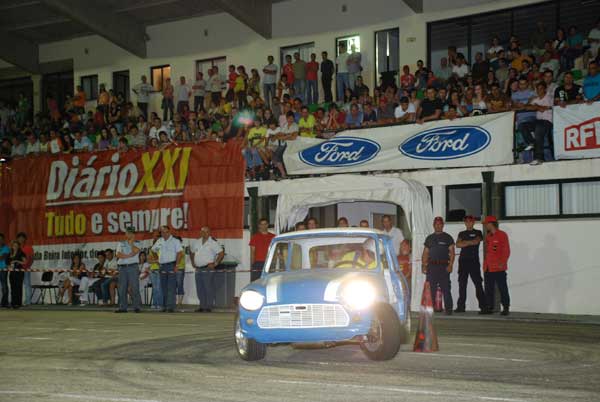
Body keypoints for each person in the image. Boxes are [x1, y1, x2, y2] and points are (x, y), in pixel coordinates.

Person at [421, 217, 455, 315]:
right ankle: (430, 309)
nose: (438, 225)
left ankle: (448, 309)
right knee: (431, 289)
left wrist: (450, 265)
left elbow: (452, 253)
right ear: (433, 225)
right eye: (436, 224)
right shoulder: (429, 238)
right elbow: (425, 253)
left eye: (440, 224)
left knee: (446, 289)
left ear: (443, 225)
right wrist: (423, 265)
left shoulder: (448, 237)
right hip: (431, 267)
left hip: (444, 267)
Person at [454, 216, 486, 313]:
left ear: (473, 222)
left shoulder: (478, 232)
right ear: (465, 223)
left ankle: (484, 307)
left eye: (470, 221)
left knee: (478, 283)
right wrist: (469, 242)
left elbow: (476, 241)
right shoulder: (461, 233)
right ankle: (461, 307)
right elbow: (458, 244)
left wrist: (465, 242)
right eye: (466, 222)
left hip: (474, 261)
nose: (468, 223)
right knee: (462, 284)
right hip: (463, 261)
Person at [482, 216, 511, 316]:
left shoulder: (502, 235)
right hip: (488, 267)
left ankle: (506, 307)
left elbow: (506, 251)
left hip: (499, 268)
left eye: (486, 224)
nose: (485, 226)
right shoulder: (488, 236)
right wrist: (485, 265)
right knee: (488, 288)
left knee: (502, 288)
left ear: (491, 224)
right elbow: (488, 252)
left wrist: (502, 263)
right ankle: (489, 307)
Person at [191, 227, 224, 313]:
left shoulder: (213, 243)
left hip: (208, 268)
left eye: (206, 232)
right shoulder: (197, 242)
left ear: (209, 233)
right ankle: (202, 306)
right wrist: (193, 262)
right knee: (200, 288)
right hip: (198, 268)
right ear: (200, 232)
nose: (204, 233)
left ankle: (209, 306)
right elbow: (192, 252)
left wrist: (216, 263)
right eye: (202, 231)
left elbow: (221, 253)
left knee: (208, 288)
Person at [151, 225, 184, 313]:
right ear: (160, 233)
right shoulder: (159, 240)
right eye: (162, 232)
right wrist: (157, 259)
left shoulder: (175, 241)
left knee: (171, 287)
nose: (164, 234)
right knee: (163, 287)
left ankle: (170, 307)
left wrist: (177, 265)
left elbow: (180, 253)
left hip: (171, 265)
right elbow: (153, 250)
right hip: (162, 266)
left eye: (166, 232)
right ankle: (165, 306)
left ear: (169, 232)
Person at [115, 227, 142, 313]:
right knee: (122, 288)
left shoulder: (138, 243)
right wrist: (128, 256)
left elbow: (135, 251)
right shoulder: (121, 243)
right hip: (122, 267)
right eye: (127, 233)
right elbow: (118, 254)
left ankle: (136, 307)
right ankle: (122, 307)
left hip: (133, 267)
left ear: (133, 234)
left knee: (134, 287)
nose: (128, 234)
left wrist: (131, 243)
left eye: (130, 233)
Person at [16, 232, 33, 306]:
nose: (21, 239)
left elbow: (32, 259)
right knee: (18, 285)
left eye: (22, 238)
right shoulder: (16, 247)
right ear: (17, 239)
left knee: (27, 285)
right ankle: (18, 301)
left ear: (25, 239)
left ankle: (28, 301)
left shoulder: (28, 247)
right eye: (19, 238)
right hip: (17, 270)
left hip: (26, 269)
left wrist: (28, 266)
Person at [8, 240, 26, 309]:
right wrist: (8, 266)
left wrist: (17, 261)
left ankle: (18, 303)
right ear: (12, 246)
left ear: (18, 246)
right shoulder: (10, 254)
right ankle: (13, 303)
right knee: (12, 288)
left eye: (16, 246)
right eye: (13, 246)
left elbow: (24, 262)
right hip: (12, 273)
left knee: (18, 288)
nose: (15, 247)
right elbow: (7, 262)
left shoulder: (21, 253)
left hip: (19, 273)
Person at [147, 232, 163, 310]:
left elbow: (161, 260)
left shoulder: (162, 249)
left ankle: (159, 304)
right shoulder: (152, 249)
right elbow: (149, 260)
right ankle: (155, 303)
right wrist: (156, 261)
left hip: (160, 270)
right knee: (155, 288)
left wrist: (155, 260)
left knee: (159, 288)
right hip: (153, 270)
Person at [173, 235, 186, 309]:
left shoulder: (181, 249)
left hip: (180, 269)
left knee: (179, 285)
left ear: (180, 241)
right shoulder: (174, 249)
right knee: (173, 285)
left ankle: (180, 302)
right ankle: (174, 301)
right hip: (173, 269)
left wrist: (176, 265)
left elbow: (179, 258)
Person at [0, 234, 10, 308]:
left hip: (3, 269)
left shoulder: (6, 248)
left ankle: (5, 302)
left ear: (3, 240)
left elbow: (3, 257)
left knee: (4, 286)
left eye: (1, 239)